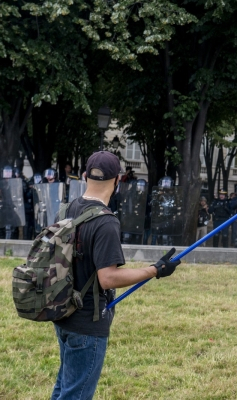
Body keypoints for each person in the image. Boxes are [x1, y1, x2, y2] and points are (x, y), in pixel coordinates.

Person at [51, 151, 181, 400]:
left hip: (63, 315)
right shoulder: (105, 222)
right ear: (117, 179)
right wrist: (155, 270)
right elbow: (108, 278)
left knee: (64, 389)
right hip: (88, 325)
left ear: (86, 176)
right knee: (74, 394)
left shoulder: (66, 210)